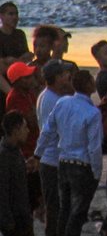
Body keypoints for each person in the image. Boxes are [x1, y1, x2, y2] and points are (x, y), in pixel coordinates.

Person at [37, 70, 102, 236]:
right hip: (82, 165)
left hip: (64, 163)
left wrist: (38, 153)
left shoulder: (63, 102)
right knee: (78, 213)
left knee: (64, 210)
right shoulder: (93, 112)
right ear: (88, 85)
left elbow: (47, 130)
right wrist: (97, 171)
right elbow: (94, 147)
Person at [35, 59, 75, 236]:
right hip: (54, 161)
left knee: (55, 206)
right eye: (65, 74)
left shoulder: (46, 95)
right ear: (57, 77)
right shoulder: (55, 101)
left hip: (50, 159)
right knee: (57, 208)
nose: (68, 76)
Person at [3, 63, 39, 222]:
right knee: (26, 199)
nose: (32, 79)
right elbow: (31, 121)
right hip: (25, 153)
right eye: (27, 77)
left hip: (33, 149)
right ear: (18, 81)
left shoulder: (29, 94)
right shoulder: (15, 97)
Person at [0, 111, 34, 236]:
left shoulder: (15, 150)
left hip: (24, 216)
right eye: (24, 127)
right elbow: (2, 191)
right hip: (14, 222)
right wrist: (7, 222)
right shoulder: (3, 156)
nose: (28, 131)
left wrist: (25, 167)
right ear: (15, 130)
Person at [0, 3, 30, 105]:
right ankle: (11, 94)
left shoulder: (20, 34)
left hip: (19, 71)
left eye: (16, 14)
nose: (15, 17)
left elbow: (27, 57)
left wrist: (12, 60)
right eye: (11, 14)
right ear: (1, 16)